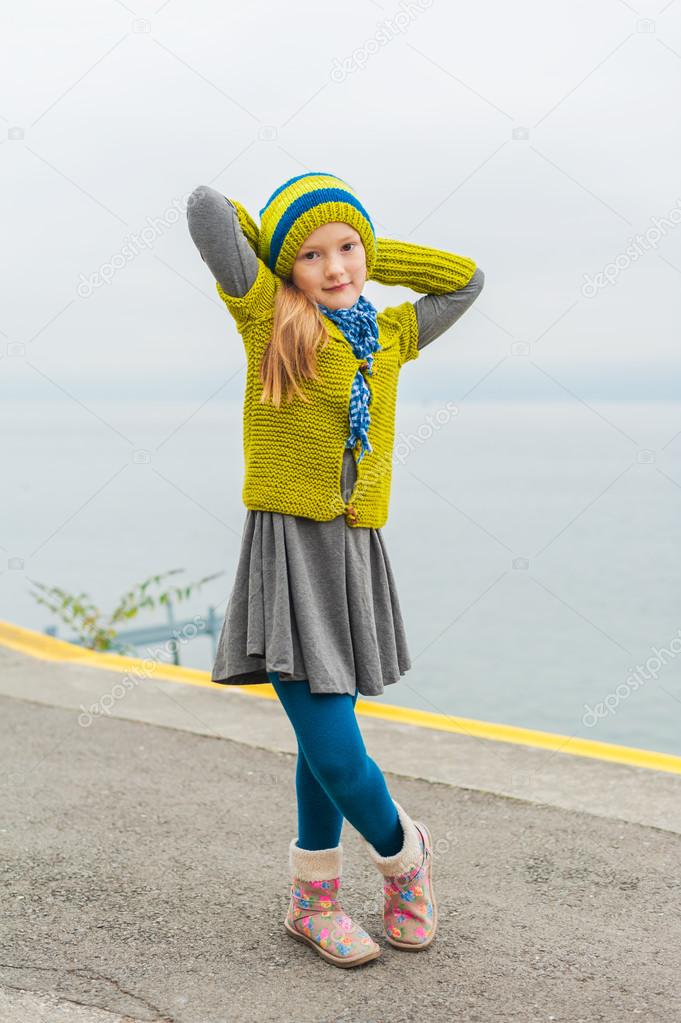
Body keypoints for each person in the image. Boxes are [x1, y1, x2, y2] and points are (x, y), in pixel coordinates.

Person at [187, 171, 484, 968]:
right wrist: (278, 248)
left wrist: (373, 257)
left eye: (347, 246)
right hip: (287, 550)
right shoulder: (269, 318)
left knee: (324, 744)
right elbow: (206, 210)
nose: (336, 265)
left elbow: (464, 280)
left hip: (353, 551)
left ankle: (311, 898)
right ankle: (404, 854)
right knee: (335, 745)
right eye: (313, 254)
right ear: (287, 267)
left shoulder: (386, 336)